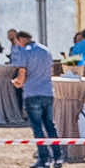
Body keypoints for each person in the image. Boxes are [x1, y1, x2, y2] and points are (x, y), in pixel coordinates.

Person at [14, 27, 57, 159]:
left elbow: (22, 72)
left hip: (32, 93)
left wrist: (18, 83)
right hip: (47, 92)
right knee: (50, 126)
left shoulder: (24, 52)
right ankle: (57, 155)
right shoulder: (46, 50)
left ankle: (43, 158)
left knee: (38, 128)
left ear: (21, 39)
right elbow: (52, 70)